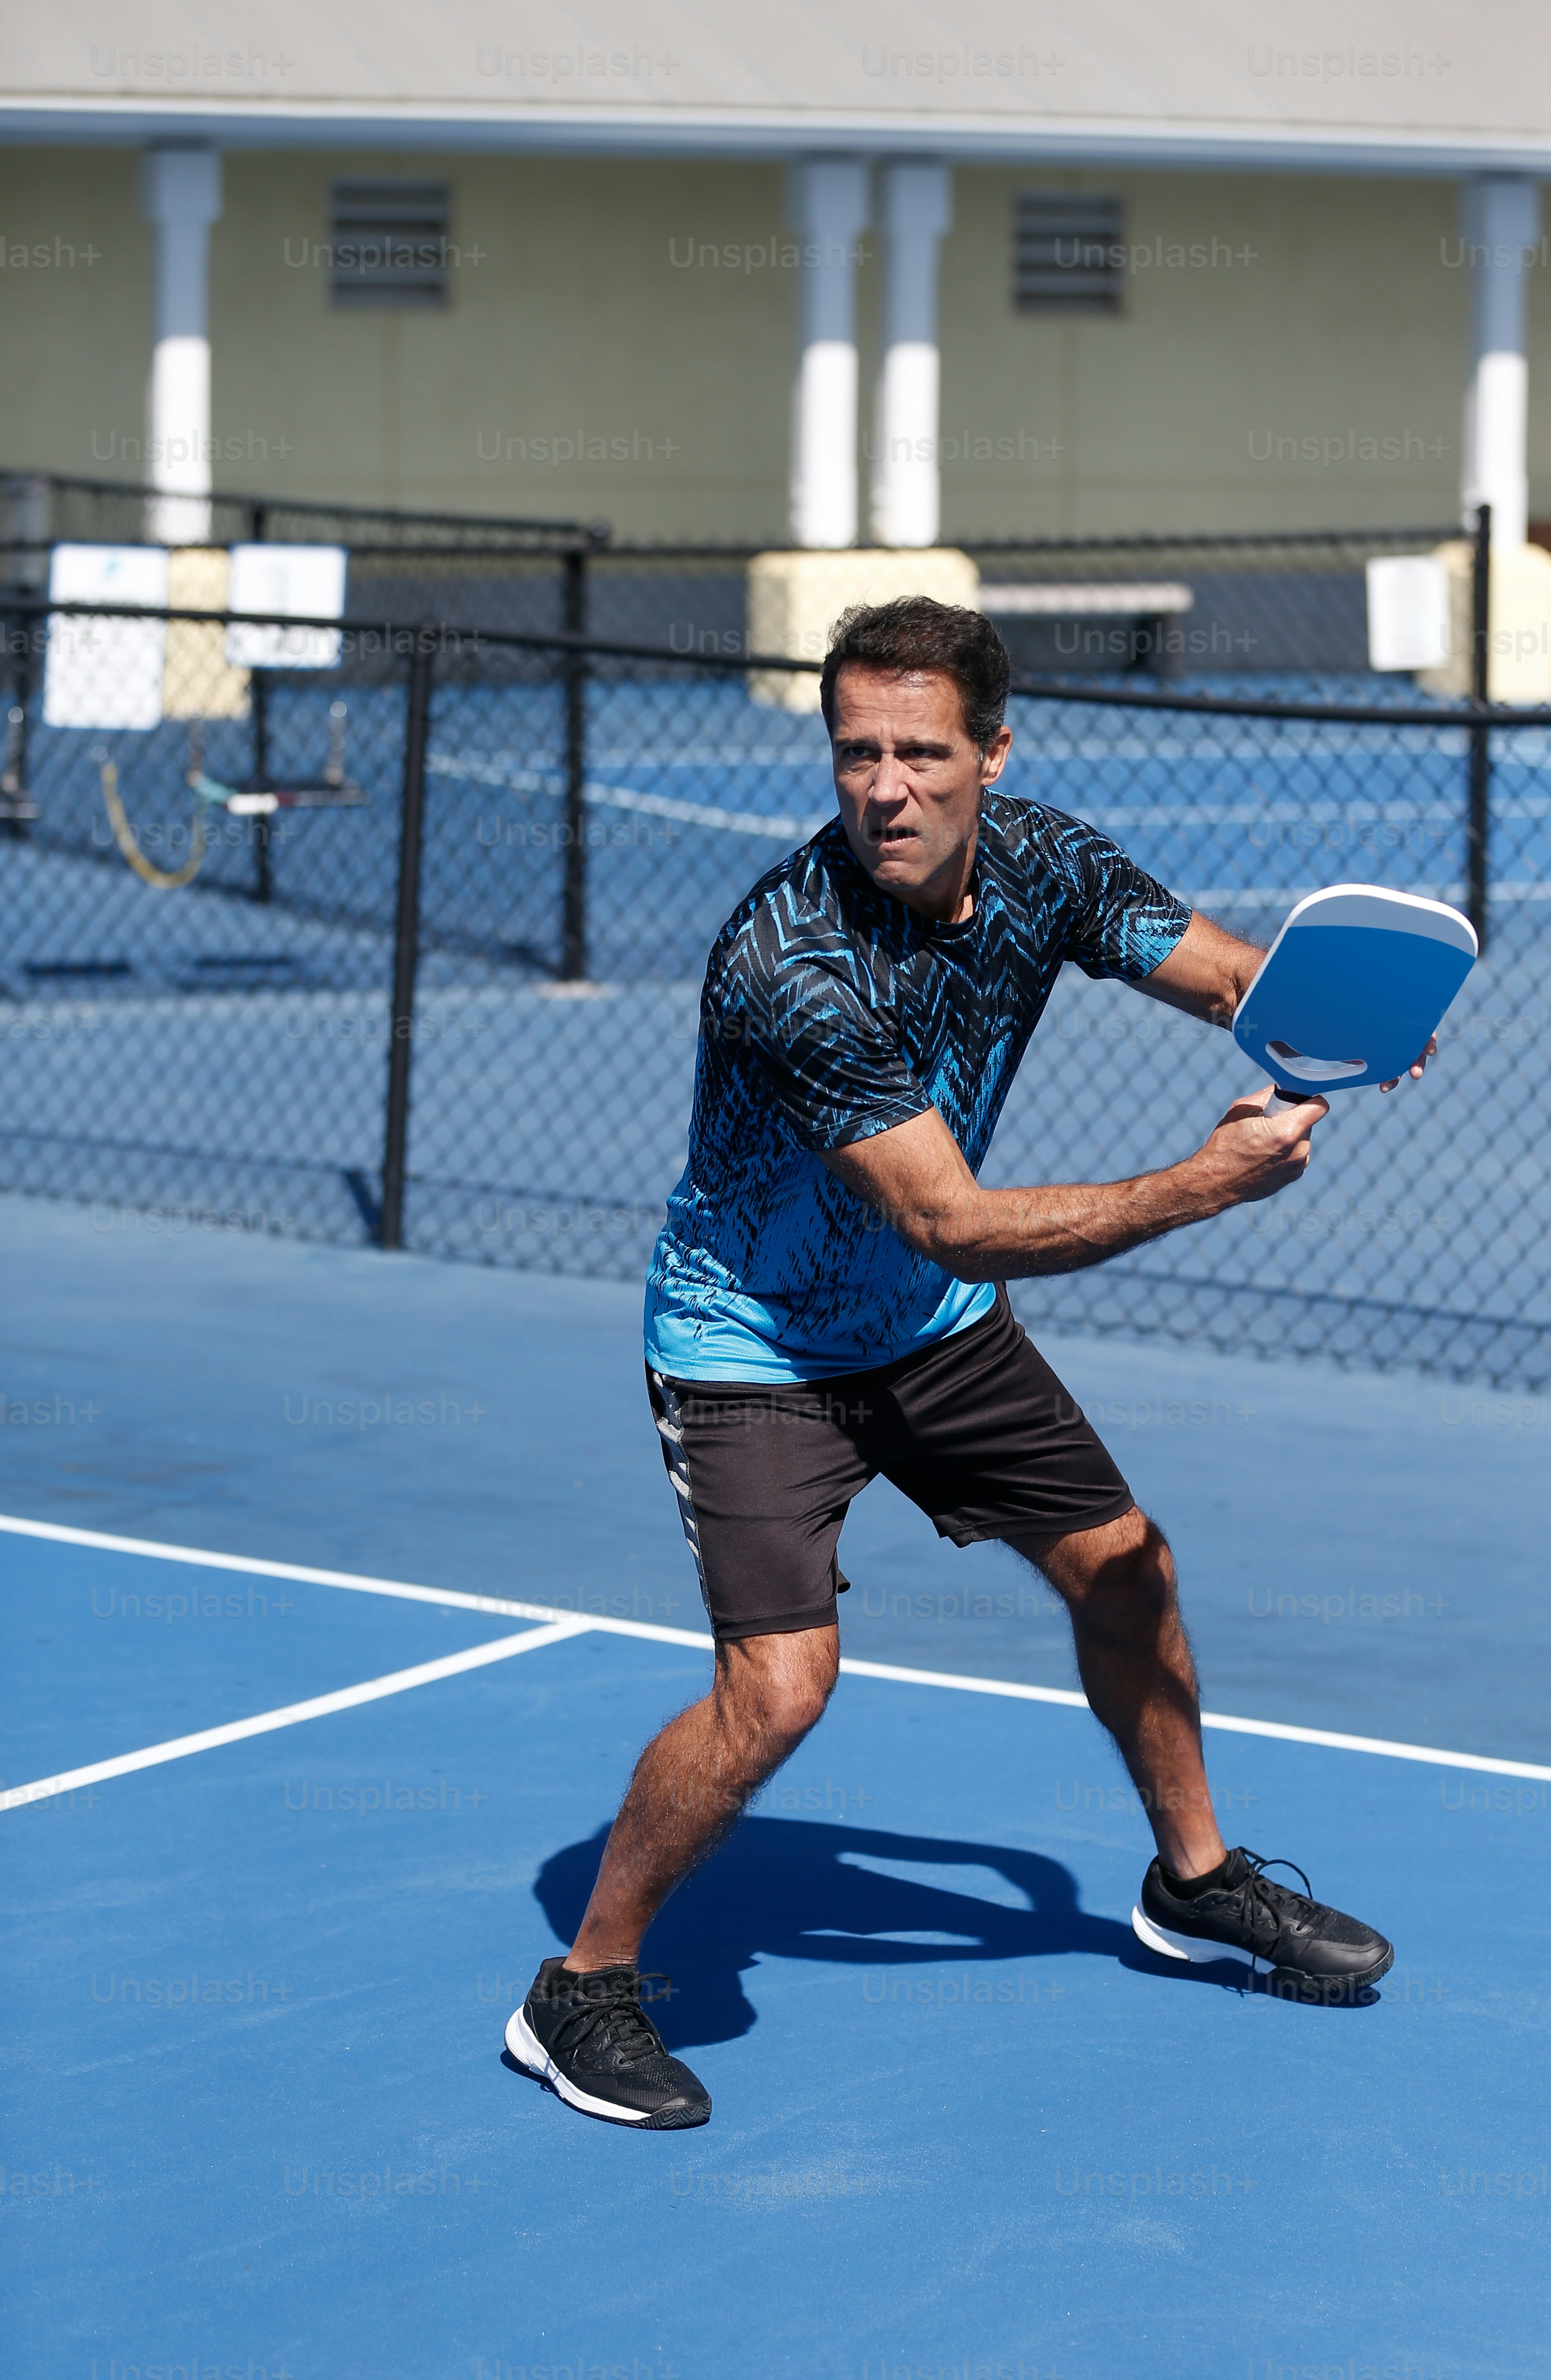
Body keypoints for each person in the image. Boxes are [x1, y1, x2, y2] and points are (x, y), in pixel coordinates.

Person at [506, 597, 1417, 2130]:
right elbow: (957, 1223)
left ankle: (1192, 1883)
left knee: (1128, 1569)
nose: (886, 789)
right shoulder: (789, 963)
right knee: (781, 1691)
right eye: (856, 753)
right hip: (756, 1347)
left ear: (994, 753)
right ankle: (580, 1989)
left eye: (922, 753)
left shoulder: (1047, 862)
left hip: (923, 1332)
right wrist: (1206, 1182)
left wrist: (1339, 1016)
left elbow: (1219, 976)